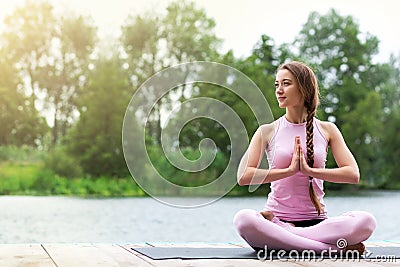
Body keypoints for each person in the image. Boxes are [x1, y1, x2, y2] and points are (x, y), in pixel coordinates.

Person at [233, 61, 376, 253]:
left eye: (286, 83)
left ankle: (288, 236)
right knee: (244, 219)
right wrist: (289, 171)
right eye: (277, 84)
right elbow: (244, 176)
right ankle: (332, 250)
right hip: (275, 219)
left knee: (366, 222)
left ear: (304, 88)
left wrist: (309, 171)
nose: (279, 90)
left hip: (318, 226)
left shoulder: (327, 129)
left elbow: (353, 174)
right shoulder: (267, 131)